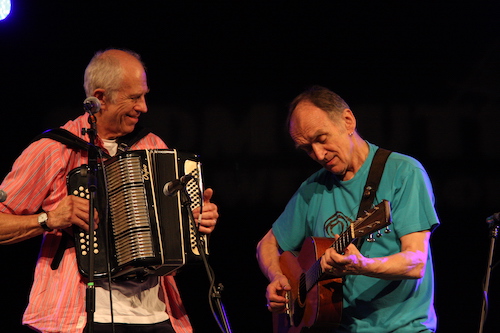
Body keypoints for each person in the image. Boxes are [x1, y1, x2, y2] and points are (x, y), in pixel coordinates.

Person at [0, 49, 218, 333]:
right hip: (77, 316)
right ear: (100, 98)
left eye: (144, 95)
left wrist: (195, 221)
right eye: (134, 97)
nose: (144, 107)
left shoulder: (153, 145)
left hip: (157, 316)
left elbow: (175, 245)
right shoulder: (53, 149)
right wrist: (48, 219)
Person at [256, 85, 439, 332]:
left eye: (322, 139)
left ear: (348, 121)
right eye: (308, 148)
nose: (319, 154)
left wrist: (362, 265)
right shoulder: (313, 189)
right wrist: (278, 278)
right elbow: (267, 244)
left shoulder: (403, 172)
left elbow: (415, 262)